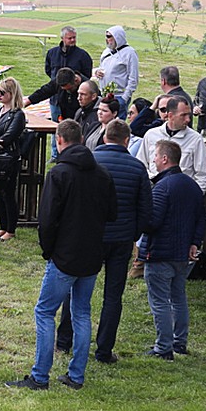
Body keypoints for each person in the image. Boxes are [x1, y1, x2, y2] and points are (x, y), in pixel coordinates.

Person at [7, 120, 116, 391]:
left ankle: (40, 376)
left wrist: (49, 250)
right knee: (81, 312)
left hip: (65, 256)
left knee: (45, 311)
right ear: (81, 138)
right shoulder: (102, 174)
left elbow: (47, 219)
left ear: (59, 140)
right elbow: (111, 213)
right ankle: (76, 375)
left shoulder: (59, 174)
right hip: (91, 255)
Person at [55, 119, 151, 364]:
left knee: (75, 288)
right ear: (127, 140)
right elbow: (145, 209)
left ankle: (64, 340)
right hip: (120, 239)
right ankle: (104, 349)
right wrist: (132, 234)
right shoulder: (137, 167)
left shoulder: (90, 162)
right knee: (113, 295)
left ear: (104, 136)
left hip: (91, 235)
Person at [140, 139, 206, 360]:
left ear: (165, 159)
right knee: (178, 298)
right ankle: (180, 342)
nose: (154, 160)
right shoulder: (192, 185)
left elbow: (153, 222)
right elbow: (201, 219)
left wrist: (140, 218)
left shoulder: (162, 188)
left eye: (156, 156)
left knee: (160, 302)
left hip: (160, 254)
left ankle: (164, 347)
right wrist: (194, 243)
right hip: (183, 254)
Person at [137, 96, 206, 191]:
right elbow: (140, 165)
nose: (188, 119)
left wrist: (192, 196)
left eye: (189, 115)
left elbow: (204, 175)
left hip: (182, 194)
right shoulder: (151, 135)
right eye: (183, 115)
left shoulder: (195, 139)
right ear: (170, 115)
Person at [0, 77, 26, 241]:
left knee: (8, 193)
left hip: (9, 158)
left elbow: (9, 136)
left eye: (2, 92)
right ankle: (2, 226)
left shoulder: (18, 114)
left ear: (11, 93)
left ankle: (10, 228)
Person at [95, 26, 139, 114]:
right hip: (105, 95)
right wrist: (97, 72)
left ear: (117, 37)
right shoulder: (106, 52)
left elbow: (133, 78)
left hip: (119, 96)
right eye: (106, 36)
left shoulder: (130, 53)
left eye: (109, 36)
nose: (106, 39)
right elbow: (102, 67)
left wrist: (124, 98)